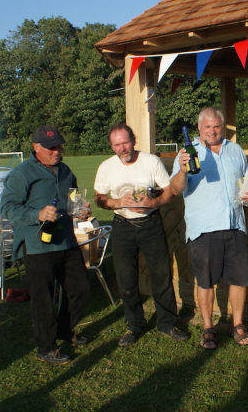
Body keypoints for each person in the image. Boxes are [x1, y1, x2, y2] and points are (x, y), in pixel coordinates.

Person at [1, 126, 91, 365]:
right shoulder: (21, 173)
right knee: (43, 298)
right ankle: (45, 347)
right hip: (37, 245)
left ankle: (63, 330)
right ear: (36, 147)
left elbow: (74, 200)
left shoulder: (65, 170)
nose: (57, 151)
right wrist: (37, 214)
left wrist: (80, 211)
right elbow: (7, 207)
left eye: (59, 146)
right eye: (52, 148)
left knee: (80, 288)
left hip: (66, 240)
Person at [170, 107, 248, 350]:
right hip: (204, 228)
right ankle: (208, 327)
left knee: (239, 280)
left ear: (223, 126)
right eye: (207, 126)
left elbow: (244, 181)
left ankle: (237, 324)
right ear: (199, 128)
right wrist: (182, 170)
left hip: (235, 225)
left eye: (216, 126)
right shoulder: (188, 152)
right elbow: (176, 189)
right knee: (205, 282)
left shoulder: (235, 150)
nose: (212, 131)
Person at [94, 123, 189, 347]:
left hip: (151, 223)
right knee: (126, 278)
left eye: (125, 142)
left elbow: (170, 192)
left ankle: (167, 324)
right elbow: (99, 197)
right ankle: (134, 325)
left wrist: (153, 202)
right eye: (116, 145)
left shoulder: (151, 161)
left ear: (133, 140)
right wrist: (116, 202)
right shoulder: (106, 167)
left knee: (161, 275)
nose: (122, 148)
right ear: (112, 146)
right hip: (122, 226)